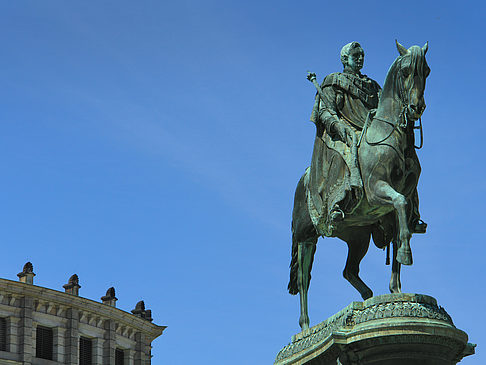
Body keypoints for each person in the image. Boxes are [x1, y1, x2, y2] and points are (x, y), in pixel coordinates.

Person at [307, 41, 426, 236]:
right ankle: (337, 202)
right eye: (356, 56)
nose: (360, 59)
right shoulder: (333, 81)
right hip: (345, 130)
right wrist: (336, 125)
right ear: (345, 59)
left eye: (362, 55)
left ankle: (412, 213)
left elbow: (386, 108)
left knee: (407, 157)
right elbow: (324, 111)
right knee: (346, 151)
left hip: (371, 132)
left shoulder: (373, 86)